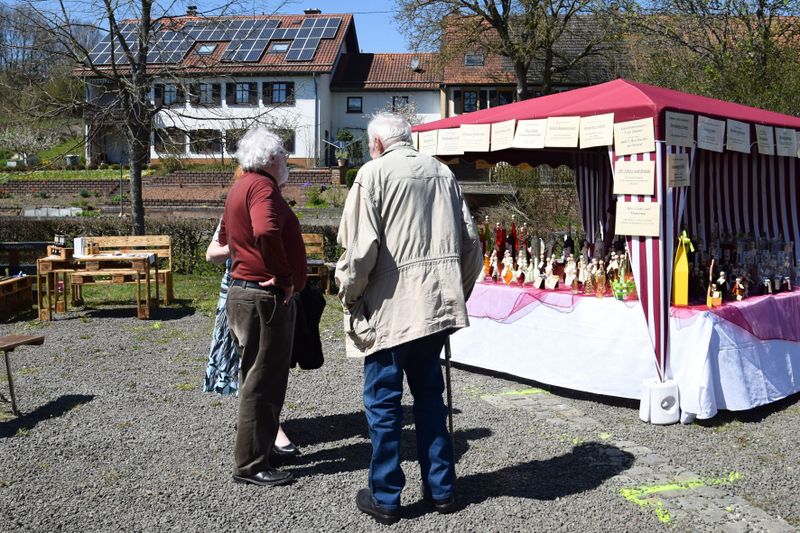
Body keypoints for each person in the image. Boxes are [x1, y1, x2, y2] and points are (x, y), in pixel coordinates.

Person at [335, 113, 483, 524]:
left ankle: (386, 496)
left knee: (383, 404)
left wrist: (350, 295)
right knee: (430, 399)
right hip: (434, 308)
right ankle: (442, 490)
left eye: (369, 145)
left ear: (378, 143)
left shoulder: (373, 174)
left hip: (391, 311)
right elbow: (471, 245)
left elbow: (359, 252)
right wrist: (456, 293)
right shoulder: (442, 173)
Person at [218, 127, 307, 487]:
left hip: (244, 292)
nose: (286, 161)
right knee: (263, 381)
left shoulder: (241, 186)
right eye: (283, 155)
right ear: (270, 159)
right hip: (262, 296)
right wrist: (284, 277)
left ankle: (255, 454)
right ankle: (252, 464)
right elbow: (267, 230)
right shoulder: (261, 187)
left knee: (254, 377)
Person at [203, 166, 300, 456]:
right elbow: (211, 254)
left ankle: (260, 431)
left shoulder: (270, 205)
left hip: (269, 290)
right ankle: (263, 439)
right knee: (254, 366)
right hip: (243, 288)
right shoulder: (238, 207)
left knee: (265, 366)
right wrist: (244, 245)